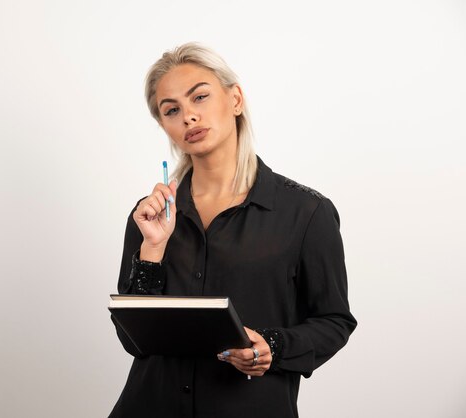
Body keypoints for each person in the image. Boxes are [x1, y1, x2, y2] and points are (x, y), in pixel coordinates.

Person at [109, 42, 357, 418]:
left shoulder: (306, 212)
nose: (189, 117)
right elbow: (134, 342)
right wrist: (153, 251)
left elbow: (334, 321)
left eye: (201, 97)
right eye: (172, 110)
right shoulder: (149, 218)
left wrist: (274, 346)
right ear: (164, 126)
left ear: (236, 99)